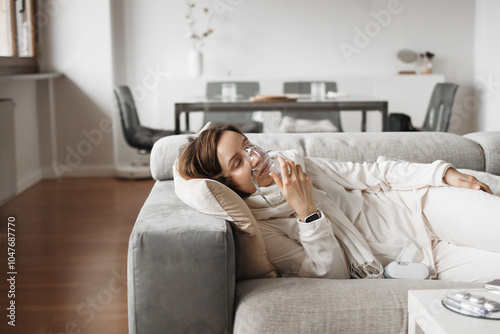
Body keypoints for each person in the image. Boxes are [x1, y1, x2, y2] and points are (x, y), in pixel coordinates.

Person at [178, 124, 500, 282]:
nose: (255, 158)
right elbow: (327, 274)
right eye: (237, 162)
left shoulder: (295, 163)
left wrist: (442, 173)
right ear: (226, 184)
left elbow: (371, 172)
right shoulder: (264, 229)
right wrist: (307, 213)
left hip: (421, 205)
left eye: (248, 146)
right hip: (420, 259)